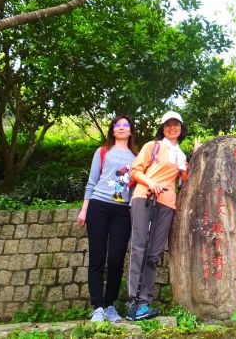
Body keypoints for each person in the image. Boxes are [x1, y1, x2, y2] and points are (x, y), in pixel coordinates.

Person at [126, 111, 188, 321]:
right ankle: (135, 302)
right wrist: (151, 183)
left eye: (176, 124)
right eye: (168, 124)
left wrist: (195, 156)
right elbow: (135, 170)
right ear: (162, 128)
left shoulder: (181, 156)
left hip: (167, 204)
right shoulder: (152, 146)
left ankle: (145, 302)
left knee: (154, 253)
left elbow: (185, 181)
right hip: (145, 197)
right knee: (139, 248)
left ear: (181, 128)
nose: (172, 128)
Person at [77, 115, 137, 322]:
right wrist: (84, 209)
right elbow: (92, 181)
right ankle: (98, 307)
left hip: (122, 212)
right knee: (97, 257)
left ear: (130, 131)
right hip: (98, 206)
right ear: (112, 130)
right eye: (117, 125)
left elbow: (138, 184)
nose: (121, 128)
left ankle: (110, 305)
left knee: (116, 258)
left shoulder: (137, 156)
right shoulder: (102, 151)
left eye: (125, 125)